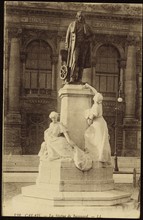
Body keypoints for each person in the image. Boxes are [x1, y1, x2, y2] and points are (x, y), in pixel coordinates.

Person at [84, 83, 111, 165]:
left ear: (94, 99)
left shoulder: (96, 106)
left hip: (97, 124)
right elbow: (96, 92)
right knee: (101, 140)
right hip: (101, 122)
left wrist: (87, 120)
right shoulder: (99, 104)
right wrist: (88, 86)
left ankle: (97, 156)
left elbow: (91, 118)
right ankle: (101, 156)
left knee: (93, 138)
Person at [65, 11, 94, 84]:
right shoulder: (72, 25)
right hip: (76, 45)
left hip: (84, 46)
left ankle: (79, 79)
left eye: (82, 16)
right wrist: (67, 45)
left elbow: (92, 36)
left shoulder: (86, 26)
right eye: (79, 16)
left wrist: (88, 40)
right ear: (77, 17)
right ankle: (72, 77)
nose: (80, 18)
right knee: (74, 60)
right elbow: (67, 36)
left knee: (82, 63)